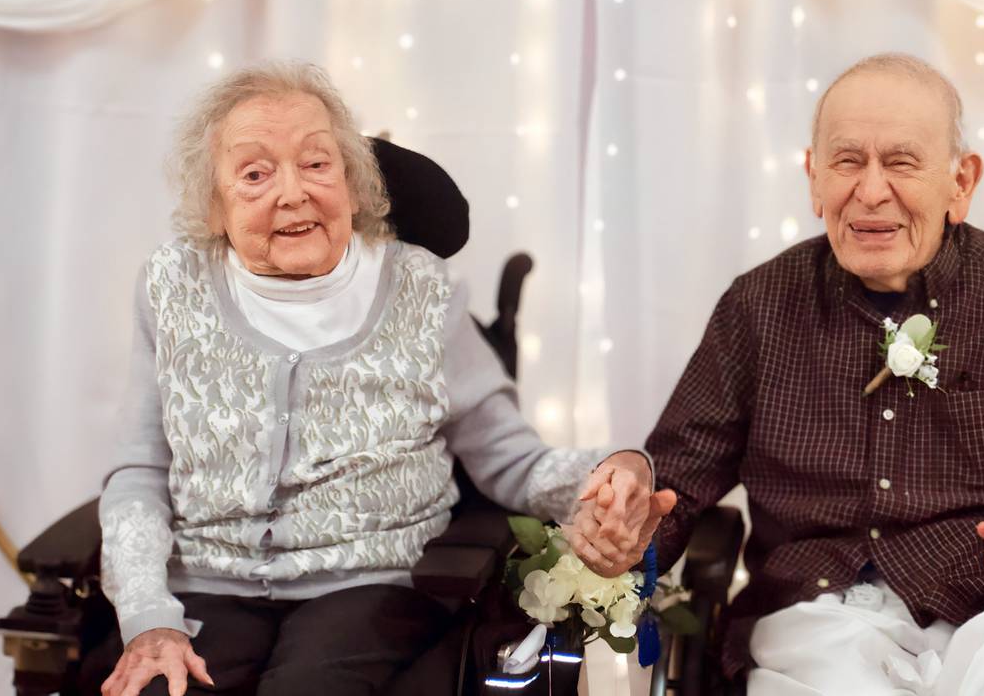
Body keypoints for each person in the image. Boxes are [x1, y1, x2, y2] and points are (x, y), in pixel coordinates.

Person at [573, 54, 984, 695]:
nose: (869, 191)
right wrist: (631, 528)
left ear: (961, 182)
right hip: (821, 612)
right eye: (846, 161)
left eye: (900, 162)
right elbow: (677, 482)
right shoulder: (758, 308)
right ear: (813, 178)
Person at [95, 62, 659, 696]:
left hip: (371, 589)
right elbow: (139, 470)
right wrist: (148, 618)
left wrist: (613, 475)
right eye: (254, 174)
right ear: (214, 205)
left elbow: (512, 461)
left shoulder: (419, 289)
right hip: (205, 585)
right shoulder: (173, 285)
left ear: (354, 183)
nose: (292, 193)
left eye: (316, 164)